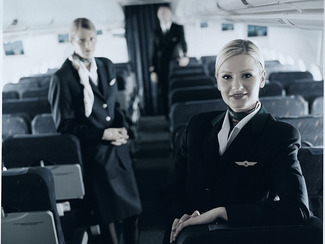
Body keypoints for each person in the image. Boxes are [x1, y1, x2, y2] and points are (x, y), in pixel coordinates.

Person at [161, 39, 311, 244]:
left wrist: (221, 213)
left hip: (239, 236)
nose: (236, 86)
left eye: (247, 75)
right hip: (187, 235)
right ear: (217, 80)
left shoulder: (280, 136)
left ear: (262, 78)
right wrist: (181, 219)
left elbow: (297, 210)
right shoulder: (198, 126)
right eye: (227, 77)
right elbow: (172, 188)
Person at [48, 18, 142, 244]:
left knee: (134, 213)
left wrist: (124, 129)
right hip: (95, 157)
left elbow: (116, 107)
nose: (88, 45)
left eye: (92, 39)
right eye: (82, 40)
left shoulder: (107, 65)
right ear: (72, 40)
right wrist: (102, 134)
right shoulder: (62, 78)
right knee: (107, 218)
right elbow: (64, 126)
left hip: (119, 153)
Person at [149, 5, 189, 117]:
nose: (163, 16)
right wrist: (152, 70)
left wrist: (185, 56)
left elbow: (183, 43)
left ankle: (180, 115)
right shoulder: (155, 31)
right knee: (164, 94)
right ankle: (168, 118)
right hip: (161, 67)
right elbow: (153, 51)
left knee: (177, 92)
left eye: (165, 13)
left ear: (170, 14)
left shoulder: (178, 28)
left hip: (175, 65)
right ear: (158, 16)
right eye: (161, 14)